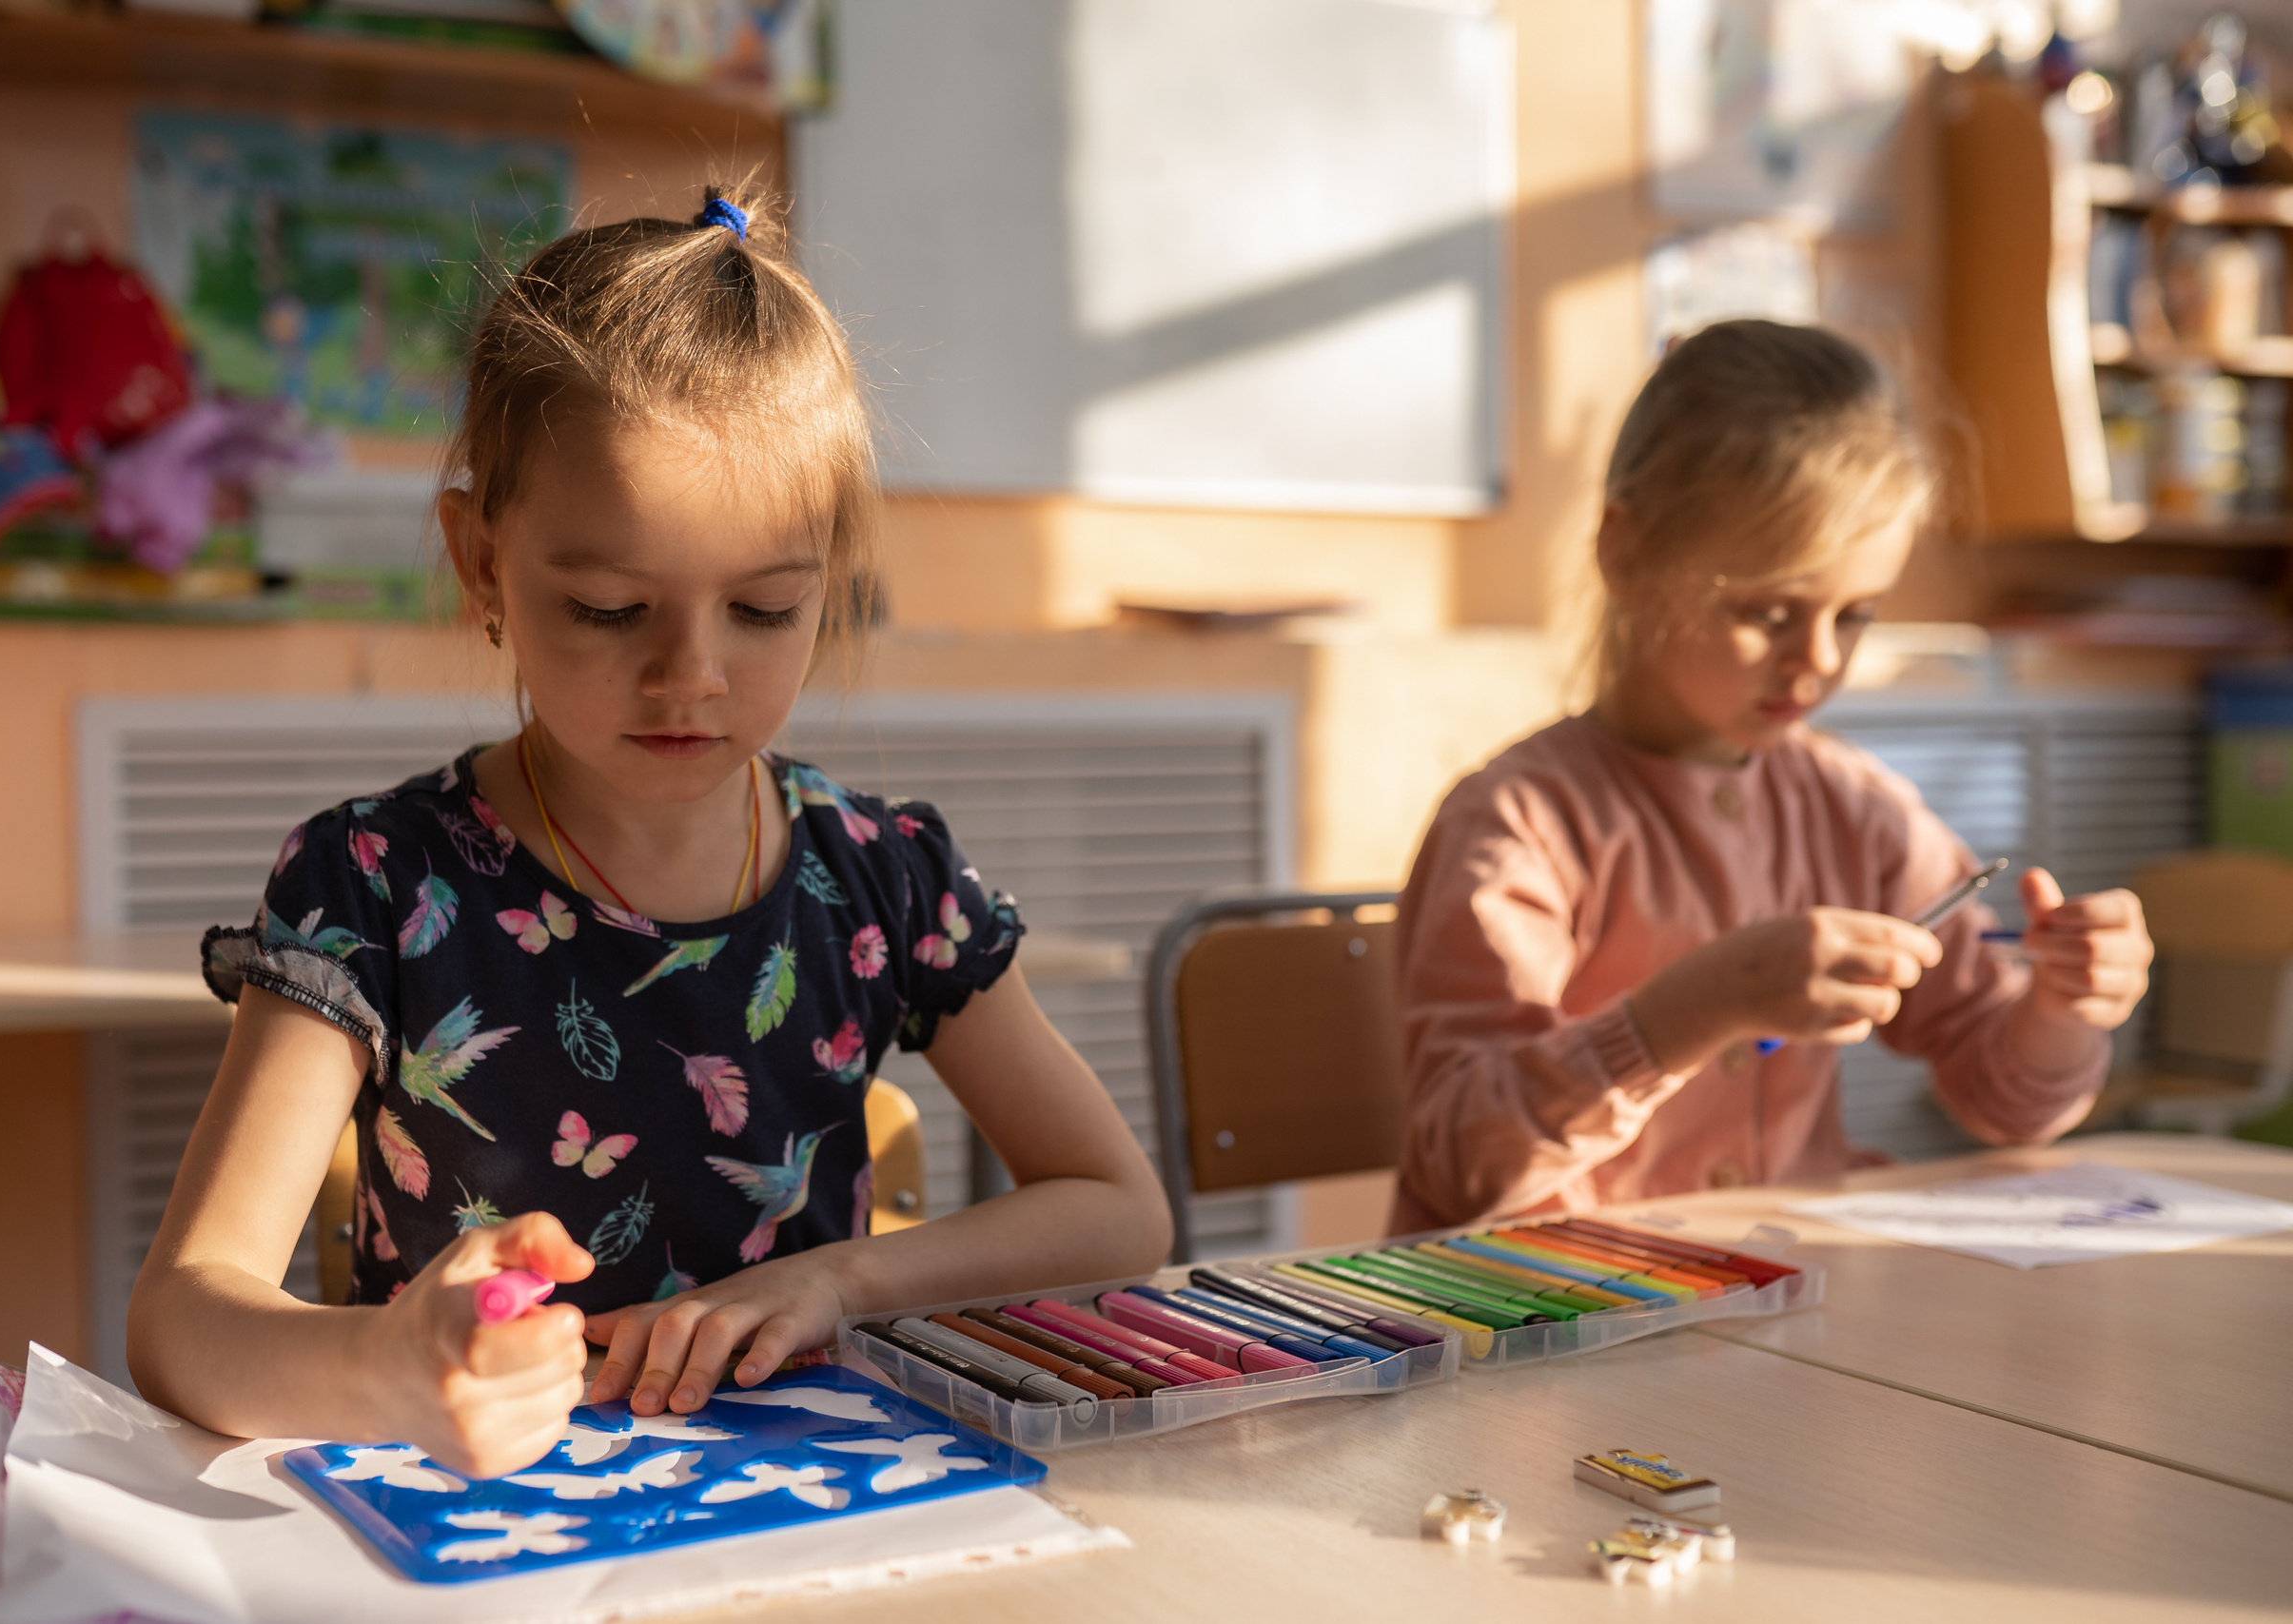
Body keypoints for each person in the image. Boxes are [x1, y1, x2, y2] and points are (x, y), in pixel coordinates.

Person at [127, 186, 1170, 1476]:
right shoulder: (375, 884)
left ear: (829, 580)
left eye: (767, 608)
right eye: (613, 609)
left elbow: (1121, 1210)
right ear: (480, 564)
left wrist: (841, 1279)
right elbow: (182, 1317)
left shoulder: (881, 874)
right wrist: (392, 1366)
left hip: (805, 1518)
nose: (694, 676)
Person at [1391, 320, 2153, 1229]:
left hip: (1782, 1308)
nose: (1816, 662)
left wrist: (2063, 1009)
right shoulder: (1518, 824)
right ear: (1624, 551)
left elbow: (2006, 1102)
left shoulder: (1859, 809)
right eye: (1769, 610)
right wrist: (1690, 1008)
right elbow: (1468, 1169)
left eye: (1856, 615)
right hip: (1555, 1325)